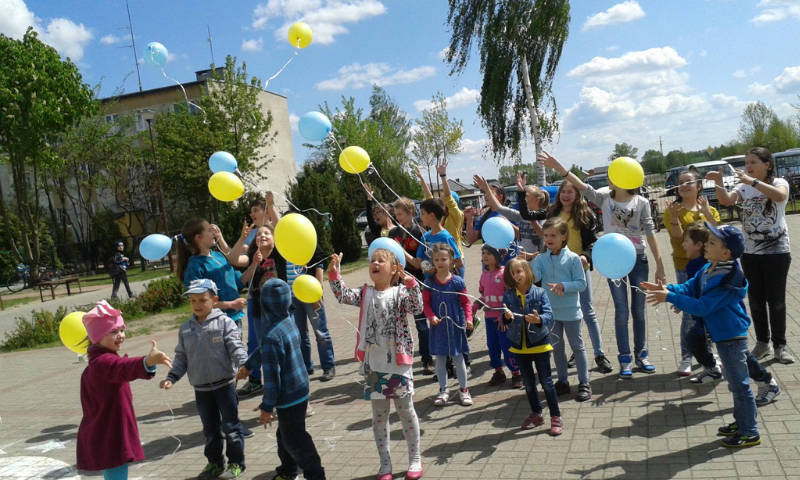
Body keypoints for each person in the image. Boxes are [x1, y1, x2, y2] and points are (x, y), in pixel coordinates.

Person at [540, 152, 667, 378]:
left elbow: (650, 232)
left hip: (638, 260)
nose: (610, 178)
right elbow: (580, 186)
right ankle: (625, 358)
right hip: (612, 262)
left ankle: (642, 355)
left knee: (639, 311)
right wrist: (557, 166)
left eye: (613, 174)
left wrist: (660, 265)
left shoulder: (642, 202)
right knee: (621, 311)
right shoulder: (604, 198)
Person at [642, 223, 761, 448]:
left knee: (740, 385)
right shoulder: (709, 268)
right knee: (734, 384)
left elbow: (702, 306)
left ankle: (750, 431)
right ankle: (742, 421)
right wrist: (667, 289)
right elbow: (689, 287)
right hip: (722, 336)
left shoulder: (727, 279)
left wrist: (669, 297)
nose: (706, 244)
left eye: (713, 242)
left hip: (732, 337)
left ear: (726, 253)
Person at [328, 248, 424, 480]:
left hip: (398, 365)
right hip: (374, 365)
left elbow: (417, 307)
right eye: (373, 260)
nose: (375, 263)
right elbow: (343, 295)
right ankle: (385, 463)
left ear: (394, 269)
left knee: (405, 411)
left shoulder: (401, 293)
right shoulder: (365, 293)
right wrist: (334, 273)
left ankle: (415, 458)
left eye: (381, 261)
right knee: (379, 416)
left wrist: (410, 282)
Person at [679, 223, 782, 406]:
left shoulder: (726, 272)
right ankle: (713, 370)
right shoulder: (705, 265)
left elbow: (706, 301)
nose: (706, 245)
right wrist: (674, 295)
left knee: (739, 359)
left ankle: (767, 384)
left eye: (711, 242)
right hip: (710, 317)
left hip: (727, 323)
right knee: (694, 338)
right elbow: (693, 287)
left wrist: (675, 298)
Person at [709, 146, 794, 364]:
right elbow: (727, 200)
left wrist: (753, 182)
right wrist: (718, 183)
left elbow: (780, 196)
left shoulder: (779, 182)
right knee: (756, 301)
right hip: (750, 253)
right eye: (747, 162)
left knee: (776, 301)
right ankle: (763, 343)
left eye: (753, 162)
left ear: (767, 164)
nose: (748, 166)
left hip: (777, 252)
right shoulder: (743, 186)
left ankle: (780, 346)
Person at [522, 178, 613, 374]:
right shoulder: (552, 212)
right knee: (561, 314)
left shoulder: (585, 215)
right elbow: (526, 214)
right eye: (563, 191)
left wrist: (585, 256)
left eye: (570, 192)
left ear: (577, 194)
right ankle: (575, 352)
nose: (566, 195)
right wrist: (522, 192)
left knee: (587, 311)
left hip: (578, 266)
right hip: (555, 268)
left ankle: (599, 354)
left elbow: (593, 242)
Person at [161, 279, 248, 479]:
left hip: (225, 386)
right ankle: (215, 463)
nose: (197, 305)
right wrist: (172, 377)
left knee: (231, 427)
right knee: (210, 431)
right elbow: (181, 357)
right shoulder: (185, 328)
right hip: (201, 390)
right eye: (193, 300)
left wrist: (245, 364)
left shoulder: (225, 322)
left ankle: (236, 463)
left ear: (214, 300)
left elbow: (236, 347)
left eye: (202, 300)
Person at [239, 279, 326, 480]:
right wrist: (249, 365)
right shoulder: (288, 321)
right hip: (301, 389)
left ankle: (316, 474)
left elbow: (272, 380)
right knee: (285, 434)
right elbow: (265, 349)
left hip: (288, 396)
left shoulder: (272, 335)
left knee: (296, 440)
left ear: (264, 305)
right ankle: (288, 470)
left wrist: (267, 407)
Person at [76, 301, 172, 480]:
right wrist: (146, 362)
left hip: (110, 431)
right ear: (97, 336)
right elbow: (122, 368)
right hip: (110, 433)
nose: (120, 335)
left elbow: (121, 368)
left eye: (122, 330)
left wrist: (147, 364)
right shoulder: (102, 363)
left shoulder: (100, 361)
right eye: (113, 331)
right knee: (116, 473)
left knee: (116, 473)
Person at [663, 170, 721, 376]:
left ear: (699, 186)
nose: (684, 185)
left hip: (710, 266)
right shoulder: (673, 210)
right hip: (685, 266)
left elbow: (718, 233)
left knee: (710, 310)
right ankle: (686, 356)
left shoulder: (709, 209)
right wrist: (674, 217)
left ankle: (710, 354)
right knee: (689, 312)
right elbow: (678, 238)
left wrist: (706, 212)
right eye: (680, 182)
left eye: (689, 181)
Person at [532, 218, 591, 402]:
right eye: (546, 235)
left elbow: (581, 284)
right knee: (557, 348)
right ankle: (563, 382)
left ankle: (584, 383)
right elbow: (535, 278)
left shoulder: (573, 258)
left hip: (571, 312)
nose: (548, 239)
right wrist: (527, 264)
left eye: (553, 235)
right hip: (551, 313)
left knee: (577, 347)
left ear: (564, 237)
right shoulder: (541, 259)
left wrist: (563, 286)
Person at [501, 258, 561, 435]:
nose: (516, 276)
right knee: (528, 384)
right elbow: (504, 319)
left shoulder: (540, 293)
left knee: (547, 382)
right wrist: (506, 317)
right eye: (513, 273)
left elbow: (549, 315)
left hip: (539, 344)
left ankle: (556, 416)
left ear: (527, 272)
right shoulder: (508, 295)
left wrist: (539, 319)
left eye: (519, 271)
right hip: (519, 347)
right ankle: (536, 414)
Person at [233, 225, 287, 399]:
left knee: (282, 349)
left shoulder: (280, 253)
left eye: (267, 233)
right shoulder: (253, 256)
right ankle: (271, 389)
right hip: (260, 311)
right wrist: (254, 264)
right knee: (265, 348)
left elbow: (280, 225)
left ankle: (286, 386)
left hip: (281, 311)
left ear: (275, 238)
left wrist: (269, 209)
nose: (262, 235)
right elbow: (239, 271)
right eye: (259, 234)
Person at [424, 243, 474, 407]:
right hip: (438, 327)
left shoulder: (458, 282)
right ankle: (443, 390)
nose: (440, 262)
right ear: (433, 261)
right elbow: (426, 304)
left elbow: (466, 303)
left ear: (451, 260)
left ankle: (464, 390)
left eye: (444, 259)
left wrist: (469, 319)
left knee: (459, 359)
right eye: (437, 259)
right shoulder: (429, 283)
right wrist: (431, 316)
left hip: (456, 326)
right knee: (440, 360)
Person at [390, 196, 434, 375]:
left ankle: (427, 359)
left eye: (400, 214)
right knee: (396, 324)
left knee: (421, 323)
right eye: (395, 214)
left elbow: (422, 263)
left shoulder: (420, 233)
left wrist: (401, 253)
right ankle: (398, 361)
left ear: (410, 212)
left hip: (417, 283)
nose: (397, 217)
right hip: (396, 284)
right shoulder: (393, 234)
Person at [176, 218, 248, 327]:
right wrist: (231, 304)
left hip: (234, 319)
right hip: (214, 324)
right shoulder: (195, 266)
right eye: (209, 230)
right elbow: (200, 302)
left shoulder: (218, 256)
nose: (214, 233)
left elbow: (238, 281)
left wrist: (255, 264)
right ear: (198, 238)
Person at [472, 244, 522, 388]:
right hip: (490, 319)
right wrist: (476, 305)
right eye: (483, 253)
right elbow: (485, 296)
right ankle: (498, 372)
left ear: (498, 256)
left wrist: (503, 316)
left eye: (489, 253)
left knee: (507, 346)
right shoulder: (484, 274)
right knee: (492, 346)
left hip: (504, 320)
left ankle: (516, 373)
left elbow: (511, 297)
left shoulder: (505, 273)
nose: (485, 256)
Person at [286, 249, 336, 381]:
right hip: (292, 296)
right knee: (300, 335)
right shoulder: (282, 245)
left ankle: (328, 366)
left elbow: (319, 265)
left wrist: (317, 292)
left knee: (321, 333)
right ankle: (306, 367)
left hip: (310, 293)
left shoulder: (306, 241)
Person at [474, 173, 545, 256]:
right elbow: (499, 207)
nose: (524, 199)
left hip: (540, 261)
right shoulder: (521, 216)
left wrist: (532, 219)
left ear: (537, 200)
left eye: (526, 196)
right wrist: (486, 189)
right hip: (524, 260)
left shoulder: (544, 216)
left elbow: (544, 235)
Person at [413, 161, 466, 268]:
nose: (440, 200)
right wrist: (422, 179)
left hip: (455, 262)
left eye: (443, 199)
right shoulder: (439, 215)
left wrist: (443, 176)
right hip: (441, 263)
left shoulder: (457, 215)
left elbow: (448, 197)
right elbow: (429, 199)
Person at [407, 198, 463, 275]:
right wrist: (400, 249)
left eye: (422, 213)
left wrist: (437, 270)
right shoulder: (425, 237)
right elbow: (418, 263)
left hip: (443, 282)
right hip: (429, 282)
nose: (420, 217)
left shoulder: (446, 237)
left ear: (432, 216)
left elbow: (459, 263)